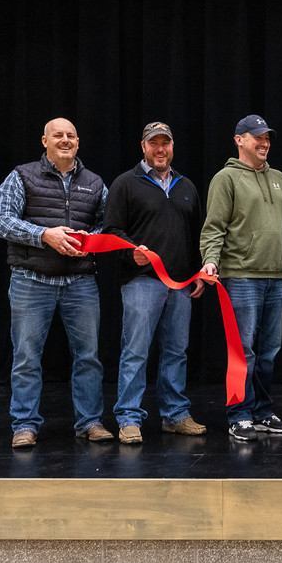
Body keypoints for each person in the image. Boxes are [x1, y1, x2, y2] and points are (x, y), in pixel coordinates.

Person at [0, 118, 111, 448]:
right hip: (31, 281)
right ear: (44, 141)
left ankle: (90, 422)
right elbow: (1, 221)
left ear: (78, 142)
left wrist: (93, 239)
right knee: (27, 357)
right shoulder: (21, 176)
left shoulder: (95, 183)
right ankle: (25, 425)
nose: (65, 140)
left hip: (81, 282)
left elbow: (110, 227)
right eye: (57, 135)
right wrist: (44, 235)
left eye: (71, 135)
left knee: (89, 357)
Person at [104, 122, 207, 444]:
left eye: (166, 143)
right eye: (154, 143)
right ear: (143, 146)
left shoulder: (186, 185)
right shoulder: (125, 184)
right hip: (141, 282)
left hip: (180, 285)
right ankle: (129, 418)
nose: (160, 149)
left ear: (172, 147)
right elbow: (111, 231)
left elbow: (196, 235)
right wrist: (131, 252)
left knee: (176, 352)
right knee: (135, 351)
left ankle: (175, 415)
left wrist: (199, 271)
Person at [199, 115, 282, 442]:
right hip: (241, 276)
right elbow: (213, 228)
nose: (264, 142)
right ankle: (238, 415)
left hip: (275, 279)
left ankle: (262, 412)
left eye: (267, 137)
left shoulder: (280, 179)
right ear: (239, 140)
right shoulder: (225, 179)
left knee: (269, 351)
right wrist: (210, 261)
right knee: (243, 351)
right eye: (257, 136)